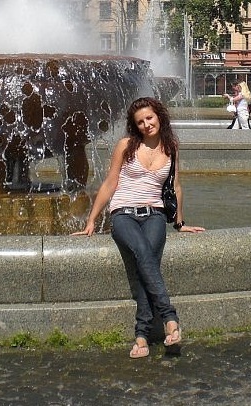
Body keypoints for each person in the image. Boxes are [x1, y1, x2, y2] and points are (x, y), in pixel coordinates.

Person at [72, 97, 205, 359]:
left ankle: (142, 336)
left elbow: (176, 186)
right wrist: (91, 220)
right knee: (145, 255)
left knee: (147, 262)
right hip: (124, 214)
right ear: (135, 126)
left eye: (149, 118)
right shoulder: (126, 145)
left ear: (159, 116)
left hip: (155, 214)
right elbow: (110, 183)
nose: (146, 124)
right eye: (140, 122)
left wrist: (179, 223)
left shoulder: (171, 146)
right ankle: (170, 319)